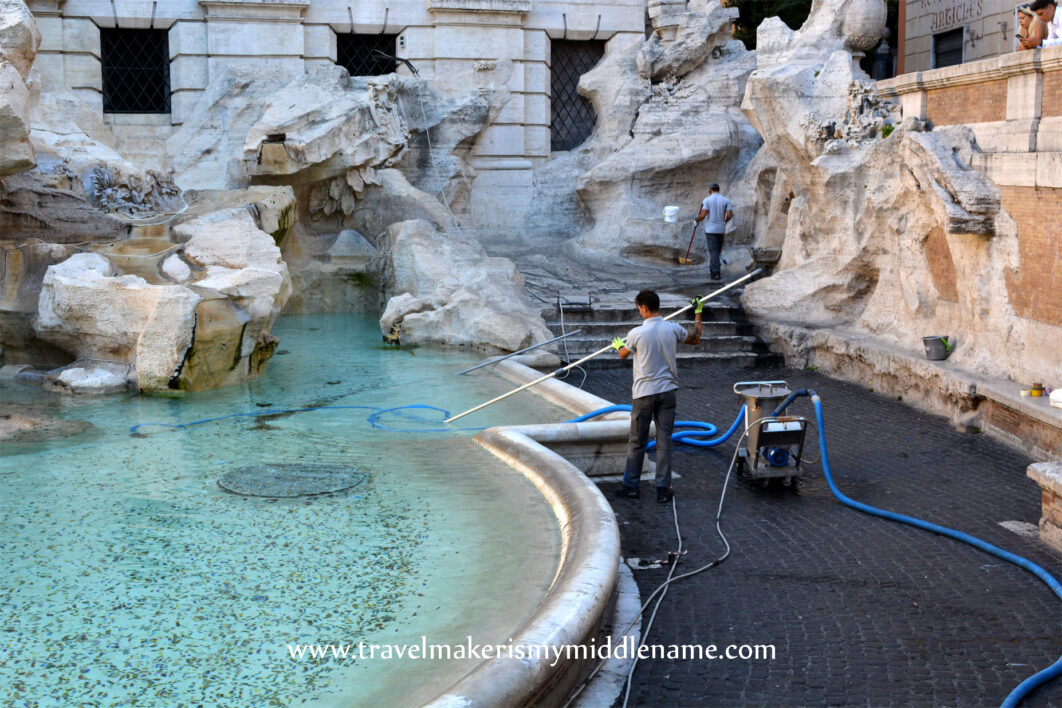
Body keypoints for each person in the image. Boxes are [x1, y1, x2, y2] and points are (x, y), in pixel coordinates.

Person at [611, 290, 703, 504]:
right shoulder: (673, 329)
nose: (639, 312)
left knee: (637, 441)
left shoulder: (636, 333)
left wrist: (618, 346)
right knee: (664, 442)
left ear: (643, 308)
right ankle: (663, 489)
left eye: (639, 309)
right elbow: (696, 338)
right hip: (668, 393)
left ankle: (631, 487)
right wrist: (698, 312)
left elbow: (623, 355)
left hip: (644, 394)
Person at [694, 183, 733, 281]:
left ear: (710, 190)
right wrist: (724, 221)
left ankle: (716, 273)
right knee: (717, 251)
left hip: (710, 230)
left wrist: (696, 220)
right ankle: (713, 269)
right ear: (718, 190)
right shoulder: (726, 200)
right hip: (721, 229)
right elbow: (730, 215)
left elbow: (703, 215)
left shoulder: (707, 200)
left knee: (713, 251)